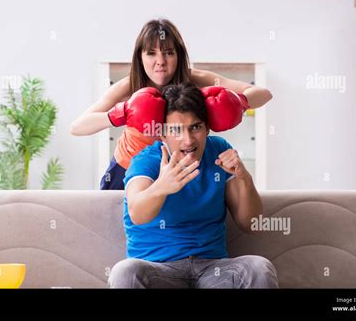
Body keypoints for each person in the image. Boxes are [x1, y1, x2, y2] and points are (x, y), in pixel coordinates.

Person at [108, 83, 278, 288]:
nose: (188, 140)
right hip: (159, 269)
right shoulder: (148, 160)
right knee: (124, 272)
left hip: (213, 269)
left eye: (195, 127)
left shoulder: (219, 151)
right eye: (176, 130)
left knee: (259, 267)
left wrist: (244, 177)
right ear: (162, 133)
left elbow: (252, 224)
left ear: (207, 128)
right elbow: (137, 213)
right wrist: (162, 186)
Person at [70, 18, 273, 190]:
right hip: (127, 171)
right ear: (140, 57)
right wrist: (122, 112)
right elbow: (77, 127)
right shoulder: (128, 86)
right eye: (151, 53)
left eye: (168, 52)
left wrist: (238, 102)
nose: (160, 61)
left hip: (180, 169)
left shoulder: (195, 78)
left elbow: (263, 94)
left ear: (178, 55)